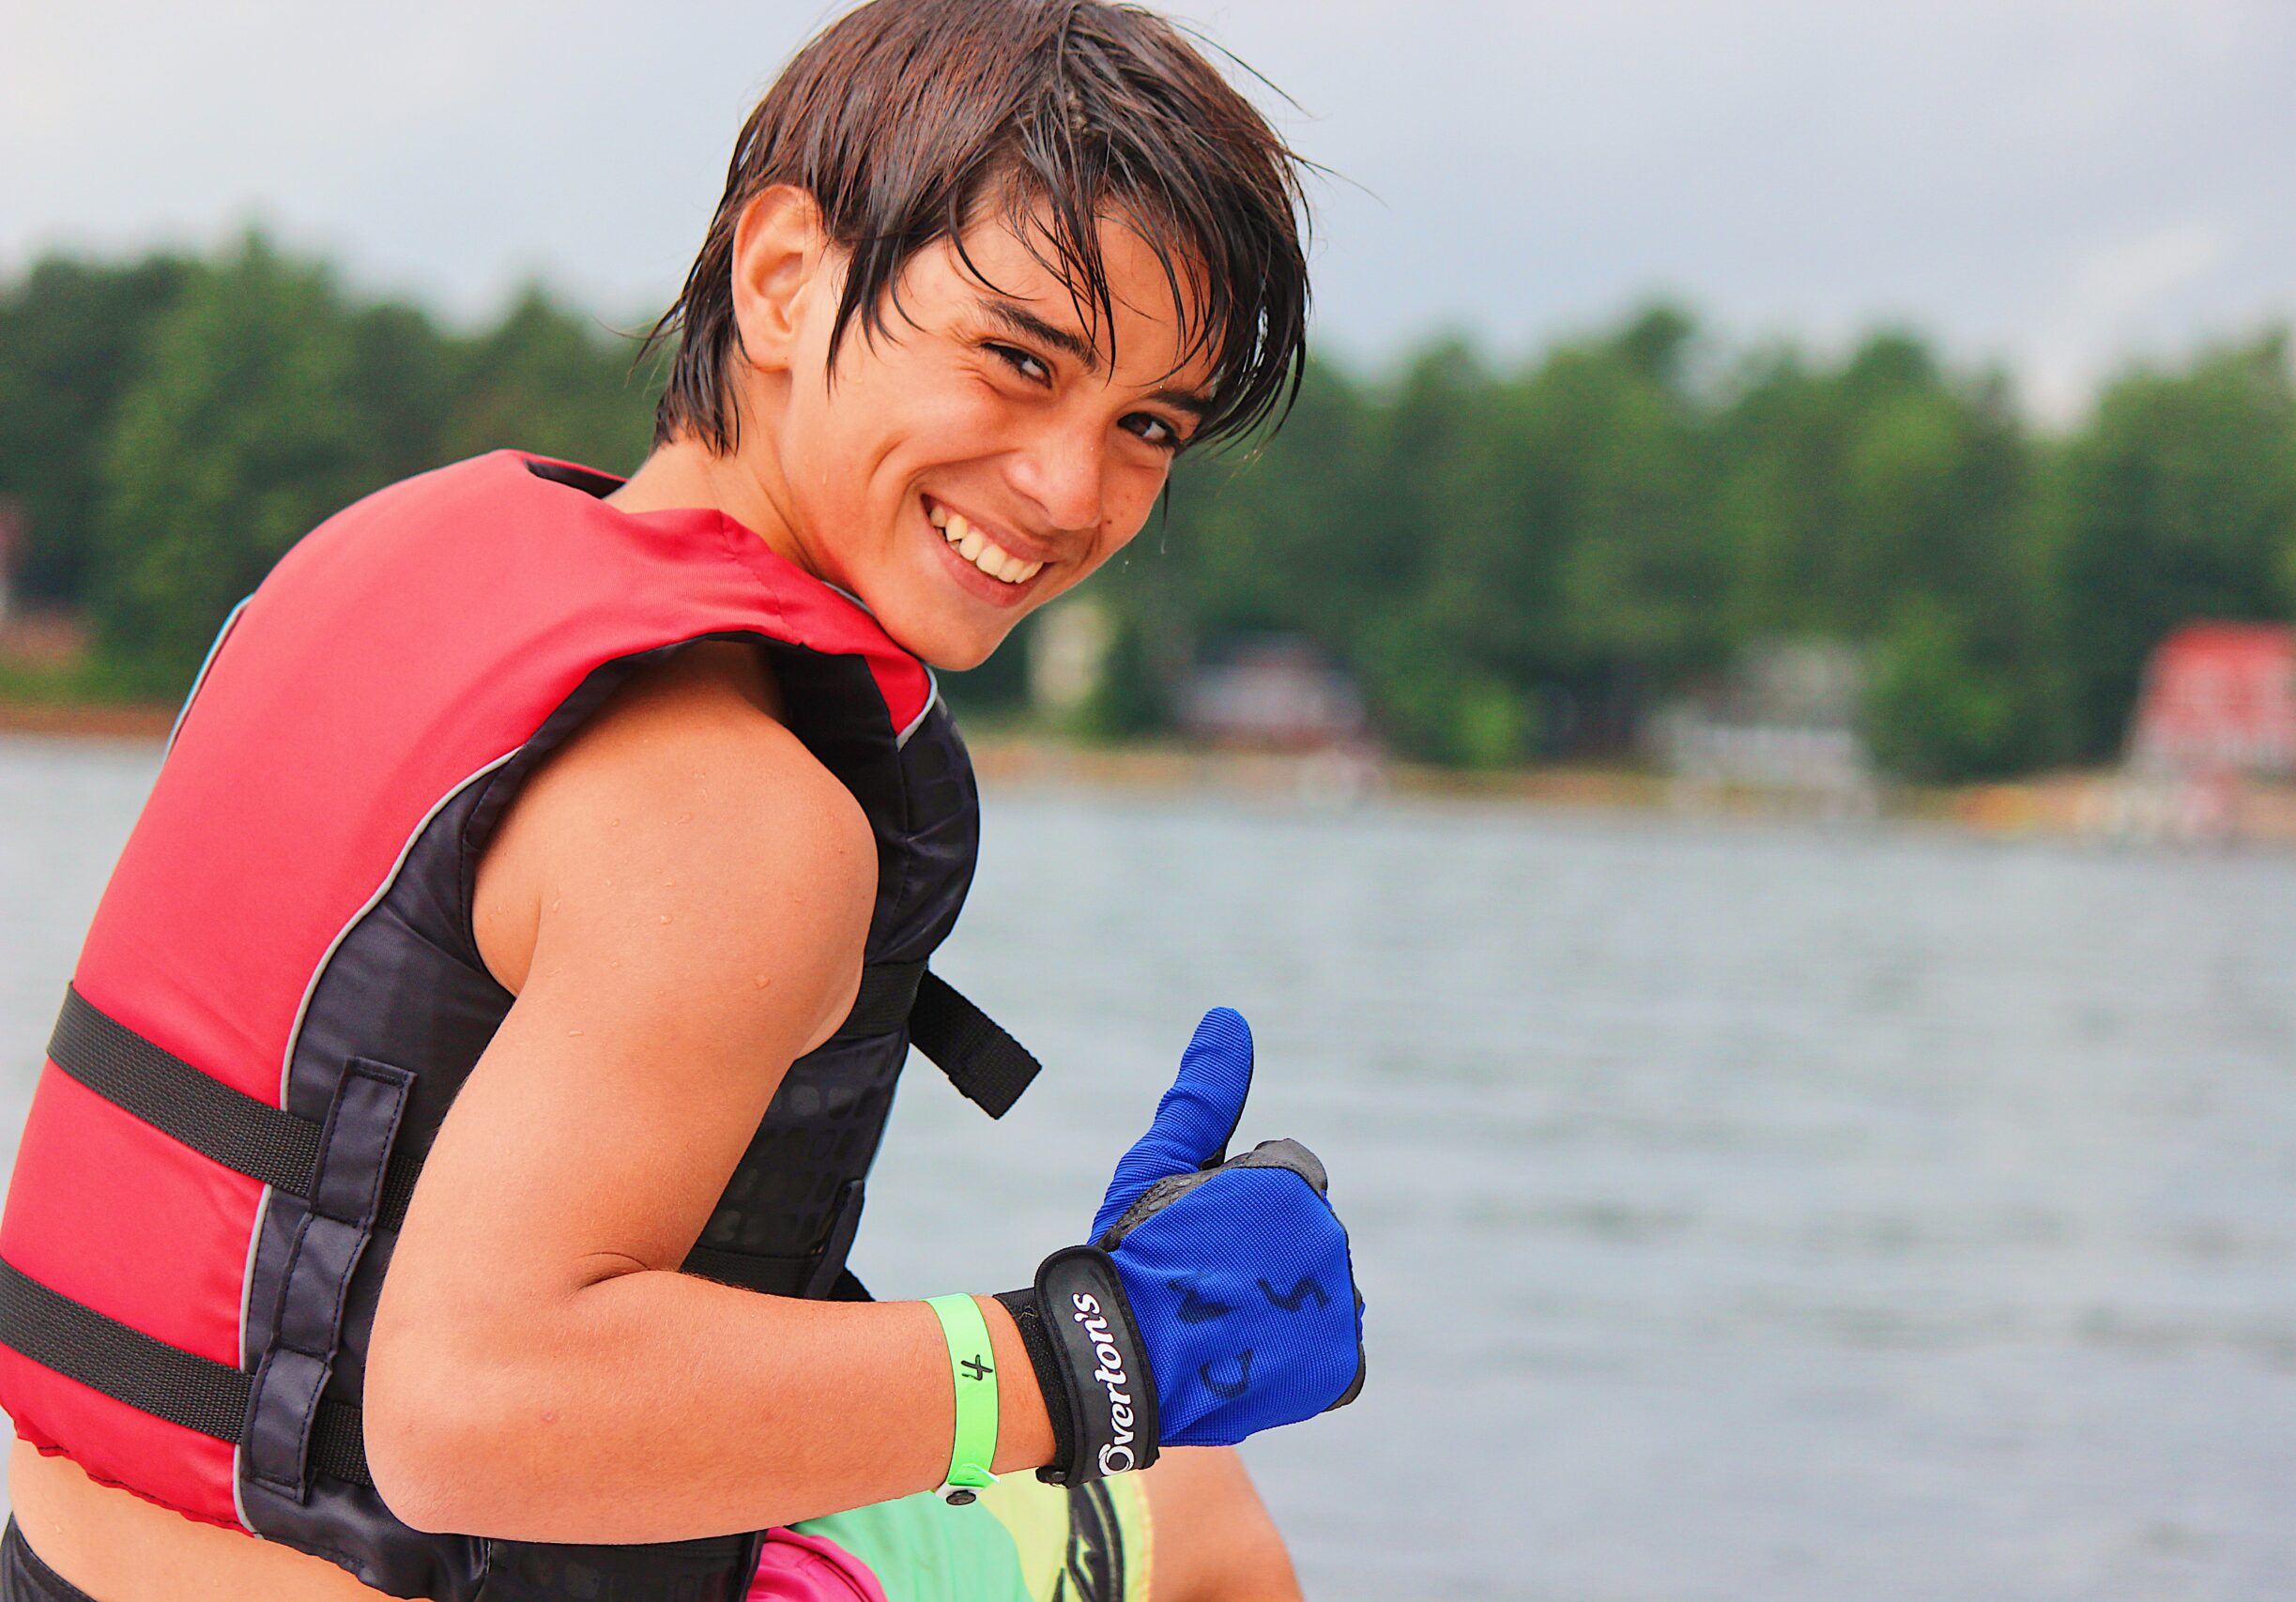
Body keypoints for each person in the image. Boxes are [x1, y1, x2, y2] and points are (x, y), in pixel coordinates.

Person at [0, 3, 1364, 1598]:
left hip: (59, 1555)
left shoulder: (380, 557)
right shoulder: (739, 820)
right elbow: (466, 1409)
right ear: (782, 278)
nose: (1072, 491)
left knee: (1188, 1505)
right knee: (1198, 1520)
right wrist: (1091, 1357)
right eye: (1017, 360)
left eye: (1147, 427)